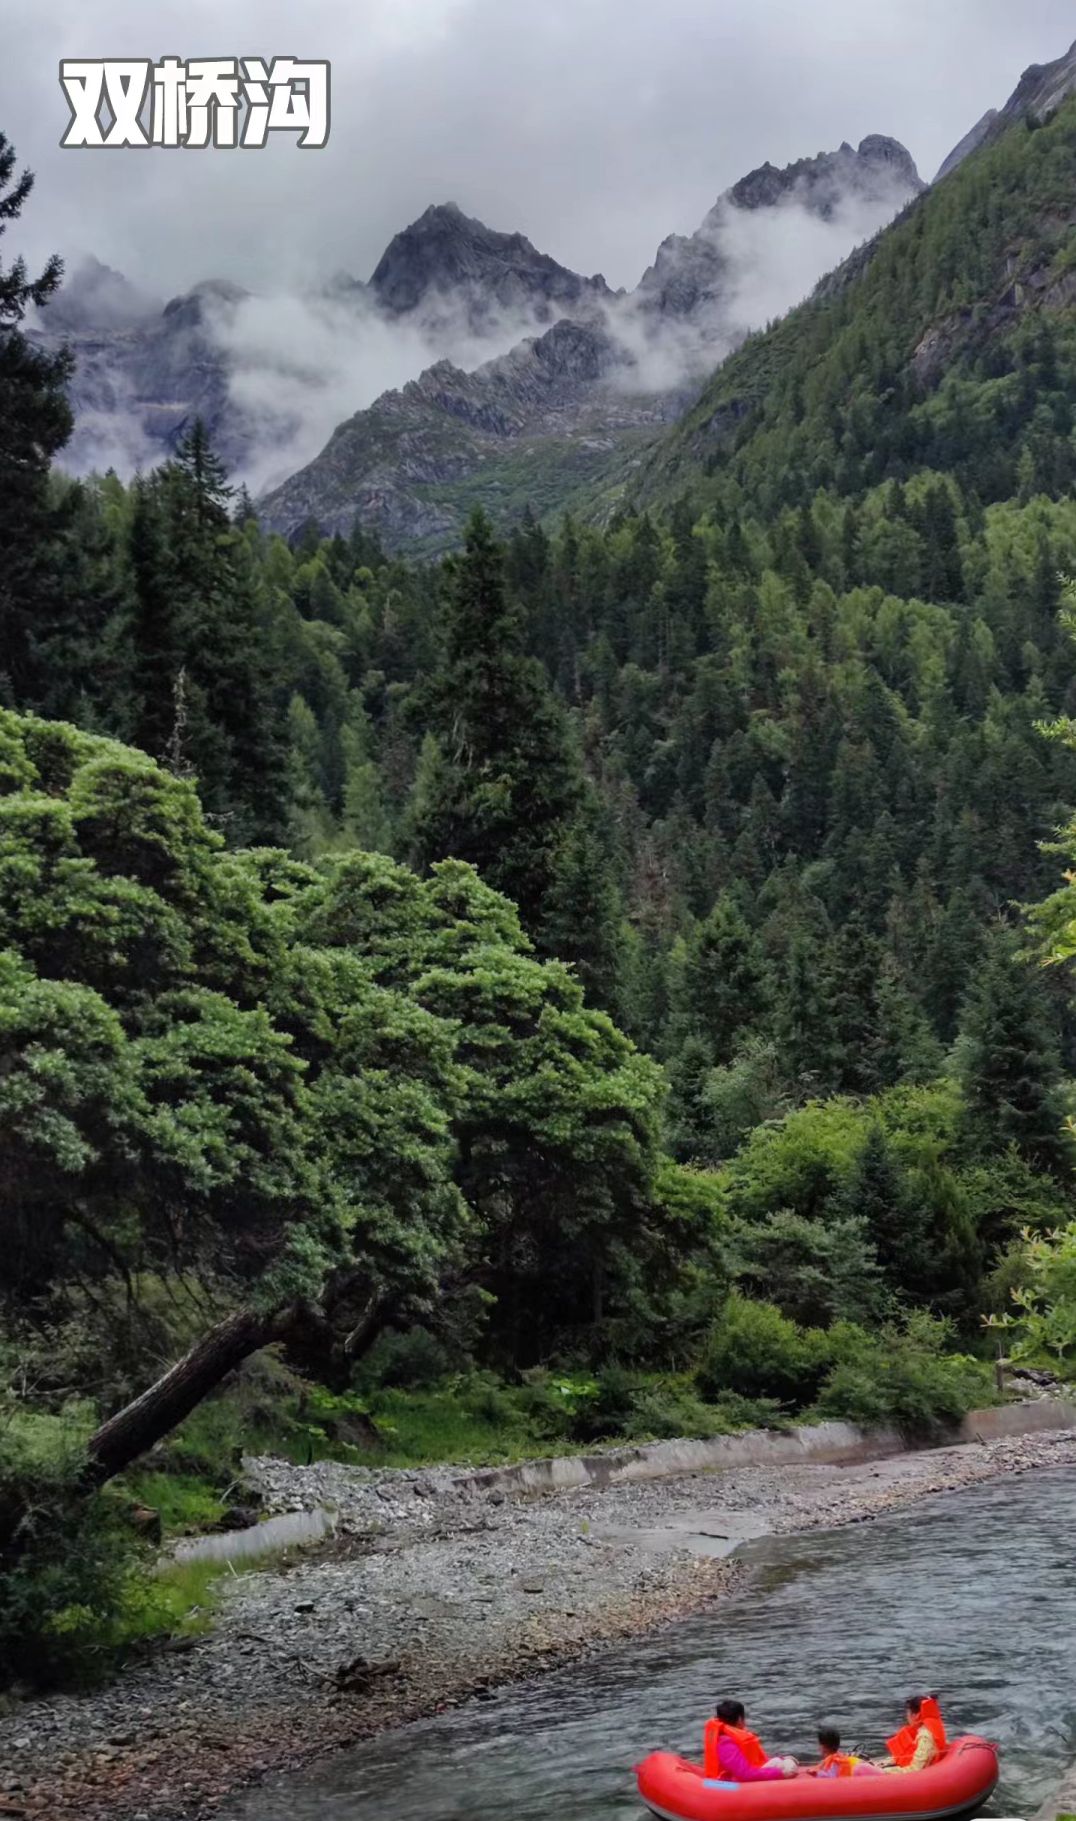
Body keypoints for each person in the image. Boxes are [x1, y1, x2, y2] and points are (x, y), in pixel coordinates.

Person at [703, 1700, 798, 1782]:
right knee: (782, 1766)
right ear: (740, 1719)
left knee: (778, 1761)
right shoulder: (726, 1743)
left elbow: (754, 1764)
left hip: (729, 1780)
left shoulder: (726, 1738)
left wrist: (781, 1759)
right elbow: (745, 1775)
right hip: (725, 1786)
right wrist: (780, 1773)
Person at [880, 1695, 947, 1774]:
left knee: (867, 1770)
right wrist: (882, 1764)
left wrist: (883, 1772)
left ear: (916, 1715)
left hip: (918, 1777)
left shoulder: (925, 1736)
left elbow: (915, 1769)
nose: (907, 1717)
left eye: (908, 1714)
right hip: (916, 1769)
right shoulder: (929, 1729)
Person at [812, 1726, 880, 1778]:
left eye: (819, 1744)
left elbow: (830, 1778)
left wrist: (815, 1774)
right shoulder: (839, 1757)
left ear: (823, 1747)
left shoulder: (834, 1762)